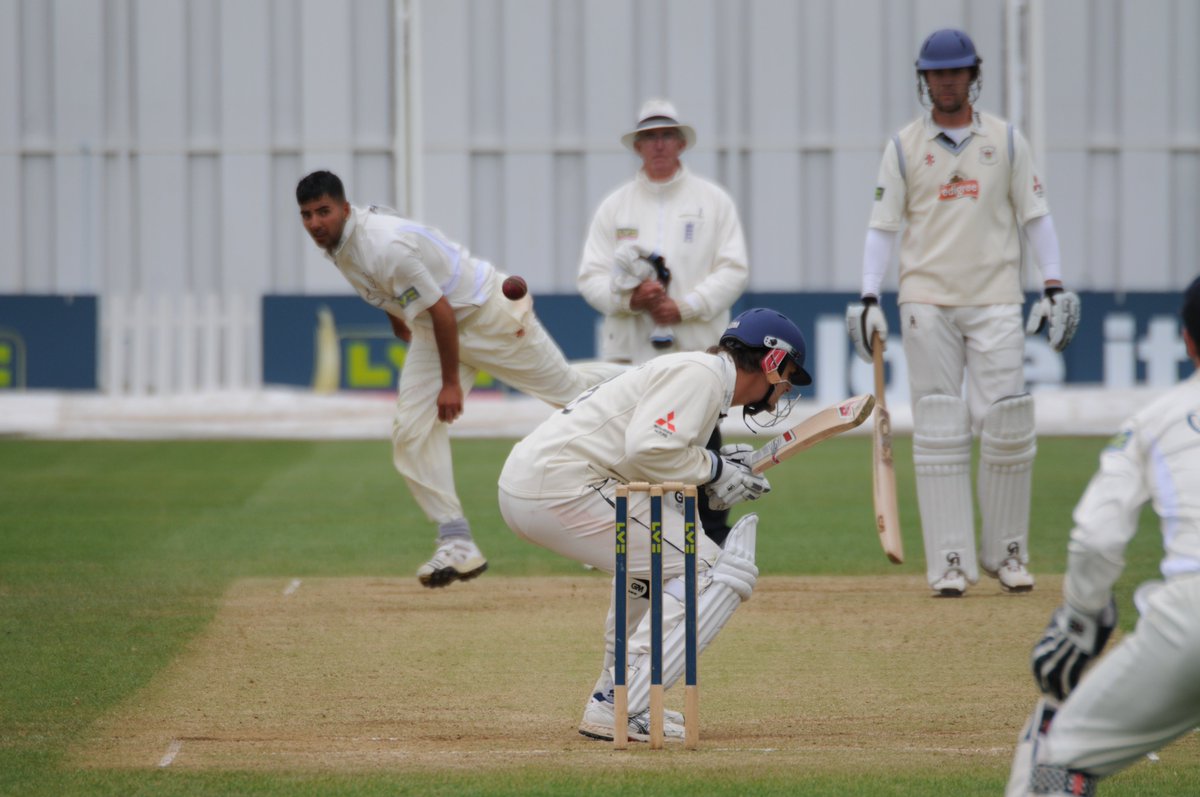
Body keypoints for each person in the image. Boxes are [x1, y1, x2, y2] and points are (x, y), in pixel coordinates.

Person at [498, 307, 812, 742]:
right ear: (772, 362)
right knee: (706, 571)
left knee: (648, 569)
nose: (783, 391)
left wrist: (722, 465)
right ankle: (624, 704)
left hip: (539, 483)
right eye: (788, 376)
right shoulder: (702, 376)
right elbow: (649, 449)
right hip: (560, 486)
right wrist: (717, 469)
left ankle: (617, 695)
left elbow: (654, 455)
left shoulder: (699, 374)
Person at [296, 170, 620, 589]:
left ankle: (646, 380)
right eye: (307, 215)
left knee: (569, 394)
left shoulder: (382, 245)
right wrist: (397, 317)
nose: (315, 223)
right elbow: (389, 286)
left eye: (323, 212)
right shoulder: (343, 241)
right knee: (411, 429)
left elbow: (443, 311)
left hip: (487, 315)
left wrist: (450, 384)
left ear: (344, 208)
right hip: (437, 326)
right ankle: (456, 539)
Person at [845, 28, 1081, 597]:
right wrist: (869, 296)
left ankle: (1008, 553)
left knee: (1006, 424)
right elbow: (882, 228)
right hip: (927, 300)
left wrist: (1053, 286)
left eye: (955, 71)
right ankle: (950, 561)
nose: (946, 81)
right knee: (940, 428)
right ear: (924, 80)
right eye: (935, 73)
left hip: (997, 297)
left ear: (973, 75)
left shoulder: (1007, 140)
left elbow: (1036, 217)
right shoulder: (904, 146)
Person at [1005, 275, 1200, 796]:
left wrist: (1081, 618)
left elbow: (1096, 536)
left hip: (1191, 623)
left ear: (1186, 339)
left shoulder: (1156, 420)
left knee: (1053, 757)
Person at [577, 98, 750, 546]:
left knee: (700, 440)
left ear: (680, 142)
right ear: (638, 145)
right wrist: (630, 298)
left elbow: (734, 269)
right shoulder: (615, 208)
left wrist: (685, 306)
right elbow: (590, 279)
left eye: (666, 135)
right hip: (631, 351)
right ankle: (632, 540)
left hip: (696, 346)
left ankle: (710, 539)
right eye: (649, 137)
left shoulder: (711, 202)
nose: (658, 144)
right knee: (628, 443)